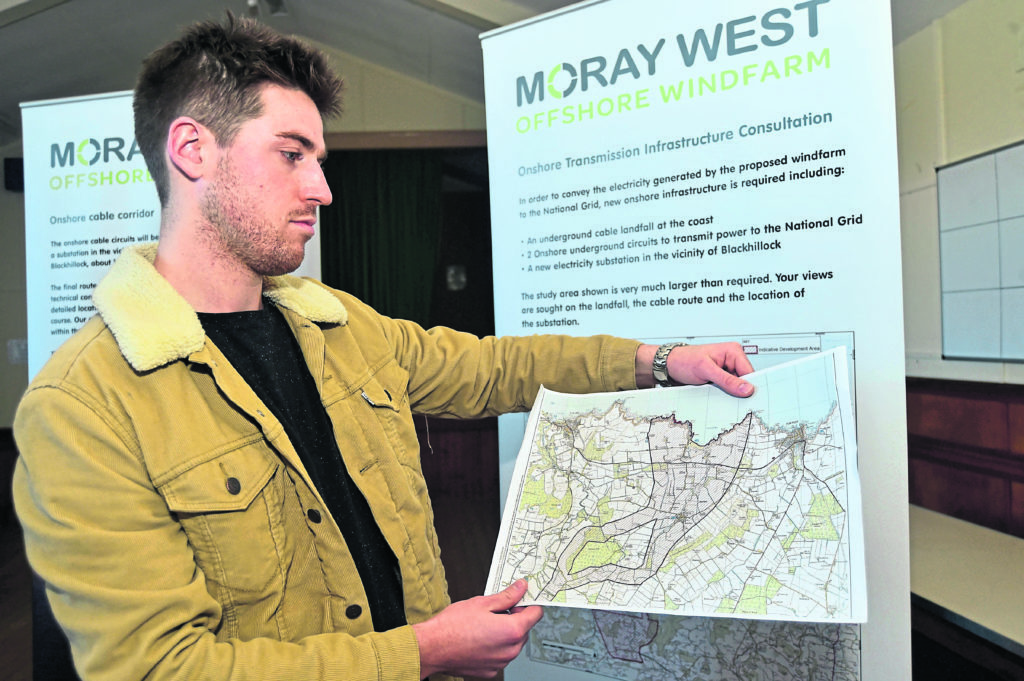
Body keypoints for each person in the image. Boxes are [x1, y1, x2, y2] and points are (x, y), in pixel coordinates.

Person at [12, 14, 754, 681]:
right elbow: (161, 668)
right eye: (293, 154)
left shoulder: (338, 324)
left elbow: (494, 368)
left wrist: (658, 362)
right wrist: (426, 652)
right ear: (192, 150)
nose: (323, 190)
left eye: (320, 158)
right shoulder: (82, 405)